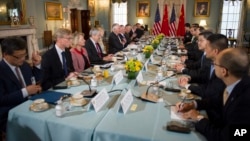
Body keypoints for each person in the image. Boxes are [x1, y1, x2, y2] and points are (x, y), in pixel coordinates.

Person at [176, 48, 250, 141]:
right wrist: (194, 104)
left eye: (214, 64)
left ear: (224, 71)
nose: (213, 66)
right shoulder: (236, 82)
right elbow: (217, 100)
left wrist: (199, 118)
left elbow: (225, 137)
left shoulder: (245, 101)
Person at [0, 37, 42, 136]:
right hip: (10, 114)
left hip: (31, 107)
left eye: (24, 55)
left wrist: (37, 65)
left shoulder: (24, 65)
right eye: (18, 56)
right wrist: (26, 92)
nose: (23, 59)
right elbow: (2, 99)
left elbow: (35, 80)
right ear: (5, 55)